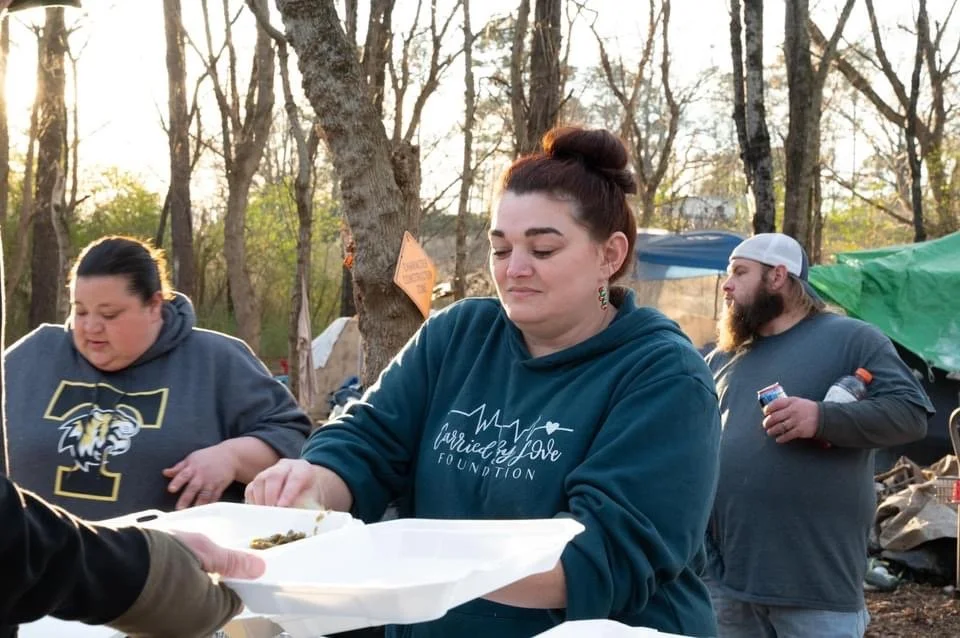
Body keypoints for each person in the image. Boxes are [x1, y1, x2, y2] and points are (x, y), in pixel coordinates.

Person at [247, 126, 722, 637]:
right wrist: (311, 485)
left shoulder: (662, 375)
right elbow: (367, 440)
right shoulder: (458, 335)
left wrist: (406, 556)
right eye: (500, 250)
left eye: (542, 250)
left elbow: (599, 557)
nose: (514, 270)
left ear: (609, 255)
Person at [704, 233, 934, 638]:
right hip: (726, 584)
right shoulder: (724, 356)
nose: (727, 284)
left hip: (815, 589)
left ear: (778, 276)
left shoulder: (852, 339)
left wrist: (821, 418)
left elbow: (911, 414)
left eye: (740, 272)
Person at [4, 236, 311, 519]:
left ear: (154, 305)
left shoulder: (217, 360)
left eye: (109, 314)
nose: (90, 327)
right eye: (80, 311)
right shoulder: (34, 355)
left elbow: (293, 439)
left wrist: (231, 458)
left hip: (170, 569)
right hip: (36, 568)